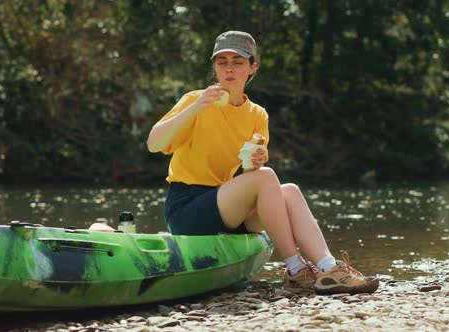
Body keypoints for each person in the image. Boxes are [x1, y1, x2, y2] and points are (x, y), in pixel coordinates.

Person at [147, 30, 379, 295]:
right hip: (187, 208)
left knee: (289, 190)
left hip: (226, 205)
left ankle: (329, 267)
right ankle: (295, 270)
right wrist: (196, 107)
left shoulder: (257, 114)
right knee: (267, 176)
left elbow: (250, 176)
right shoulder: (195, 100)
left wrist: (252, 165)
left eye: (238, 61)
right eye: (222, 62)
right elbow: (154, 144)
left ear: (252, 67)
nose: (229, 68)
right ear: (214, 67)